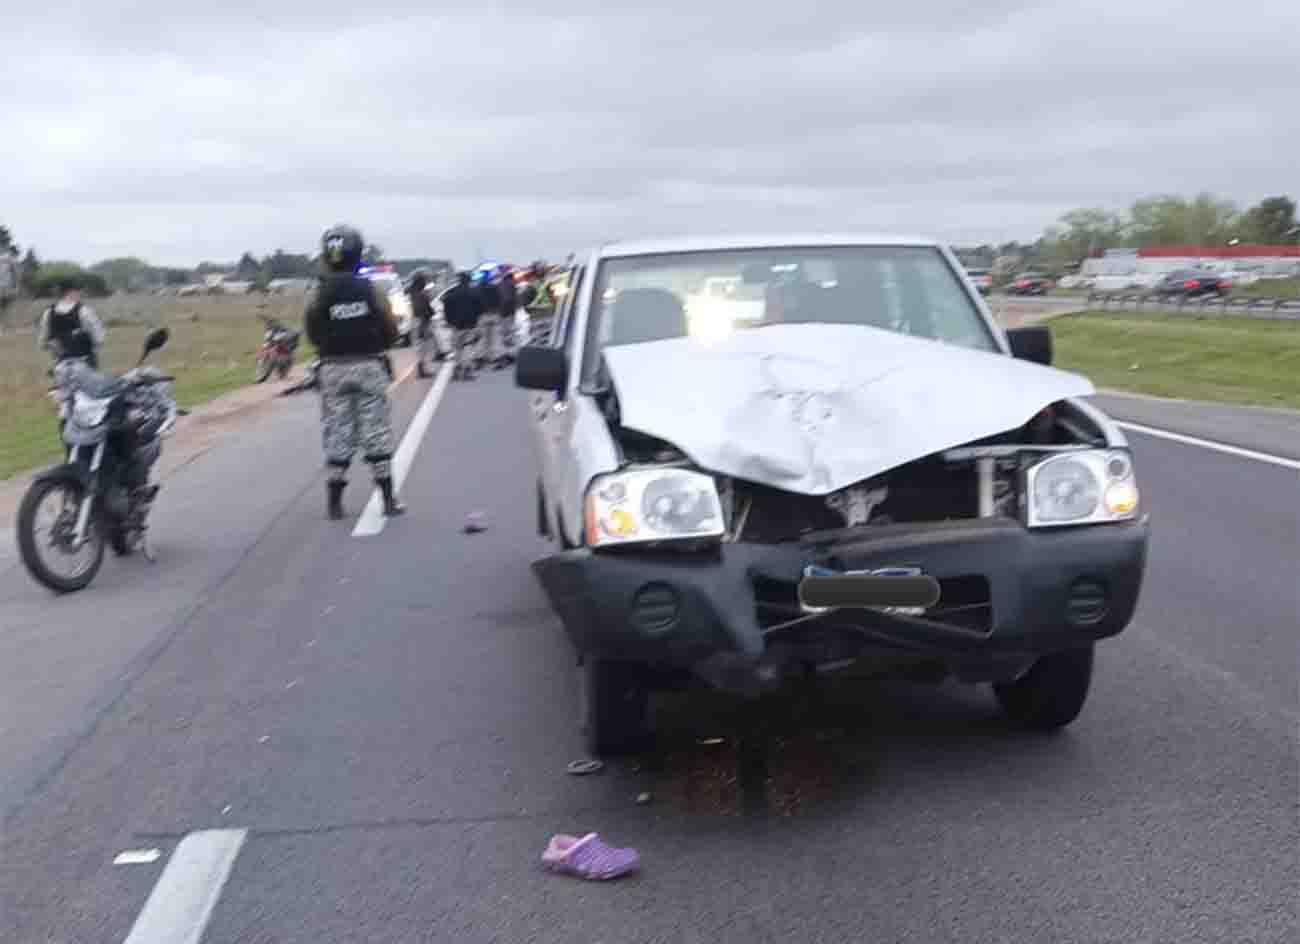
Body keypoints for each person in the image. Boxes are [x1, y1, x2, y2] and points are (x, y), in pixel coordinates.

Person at [304, 223, 405, 520]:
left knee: (337, 432)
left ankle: (334, 504)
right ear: (357, 252)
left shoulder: (318, 292)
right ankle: (388, 499)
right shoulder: (370, 289)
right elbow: (389, 328)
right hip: (368, 365)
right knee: (376, 432)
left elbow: (312, 331)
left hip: (332, 369)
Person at [38, 281, 106, 368]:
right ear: (71, 292)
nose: (80, 294)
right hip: (85, 362)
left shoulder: (48, 312)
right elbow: (98, 337)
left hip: (60, 364)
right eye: (78, 291)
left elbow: (43, 340)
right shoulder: (84, 311)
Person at [440, 270, 482, 381]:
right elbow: (480, 308)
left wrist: (449, 321)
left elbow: (445, 305)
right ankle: (467, 370)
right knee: (468, 347)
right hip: (470, 325)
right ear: (468, 280)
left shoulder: (452, 293)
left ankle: (457, 370)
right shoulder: (474, 292)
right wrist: (476, 320)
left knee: (457, 349)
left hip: (456, 326)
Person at [407, 270, 445, 378]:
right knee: (423, 348)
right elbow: (425, 309)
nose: (425, 282)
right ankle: (423, 370)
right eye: (424, 280)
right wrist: (431, 313)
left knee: (420, 347)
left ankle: (422, 368)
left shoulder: (412, 292)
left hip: (416, 321)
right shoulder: (420, 294)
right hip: (422, 322)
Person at [475, 268, 503, 369]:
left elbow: (476, 302)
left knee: (482, 338)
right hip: (494, 314)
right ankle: (496, 357)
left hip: (482, 315)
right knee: (495, 337)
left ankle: (480, 357)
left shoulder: (477, 288)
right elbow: (500, 300)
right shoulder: (494, 287)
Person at [496, 265, 519, 368]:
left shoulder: (502, 284)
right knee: (510, 335)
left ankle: (506, 355)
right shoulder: (512, 284)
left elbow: (505, 299)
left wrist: (502, 312)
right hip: (510, 313)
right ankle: (510, 355)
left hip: (504, 313)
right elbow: (513, 299)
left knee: (505, 335)